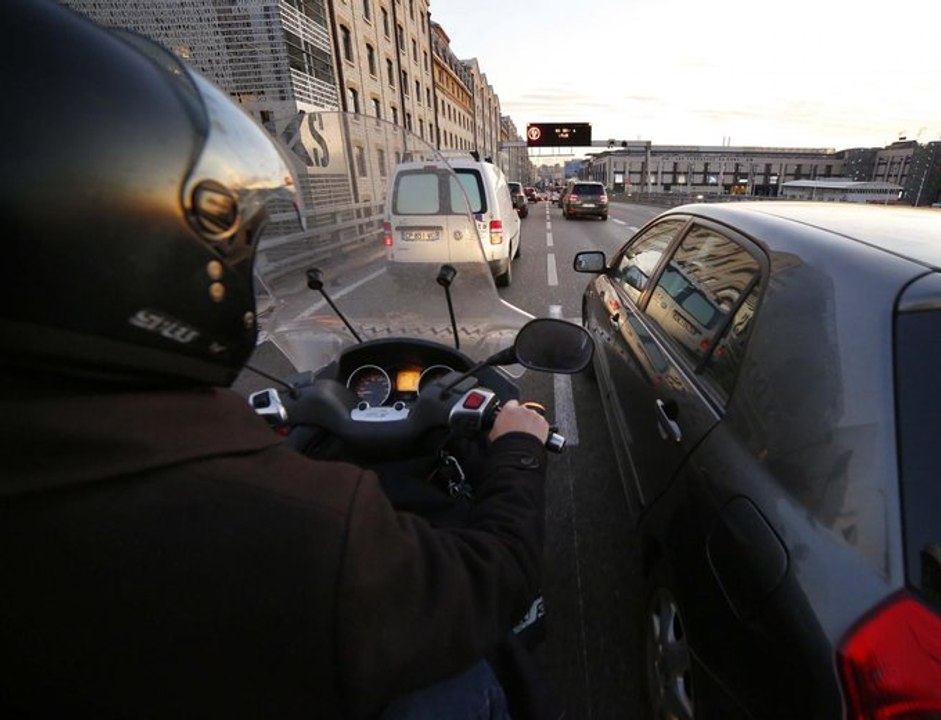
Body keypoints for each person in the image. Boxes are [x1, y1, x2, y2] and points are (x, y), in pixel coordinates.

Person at [0, 1, 552, 717]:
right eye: (237, 246)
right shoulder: (299, 530)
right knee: (459, 677)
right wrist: (519, 451)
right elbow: (487, 581)